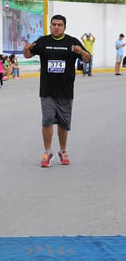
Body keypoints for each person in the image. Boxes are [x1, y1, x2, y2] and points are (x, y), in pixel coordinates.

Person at [23, 14, 90, 167]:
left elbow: (87, 59)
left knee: (63, 123)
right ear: (50, 26)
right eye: (54, 24)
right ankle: (47, 152)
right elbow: (28, 54)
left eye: (60, 25)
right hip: (47, 89)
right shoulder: (43, 41)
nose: (56, 27)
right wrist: (26, 50)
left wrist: (81, 52)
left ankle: (63, 151)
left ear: (64, 27)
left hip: (65, 90)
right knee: (47, 120)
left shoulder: (72, 42)